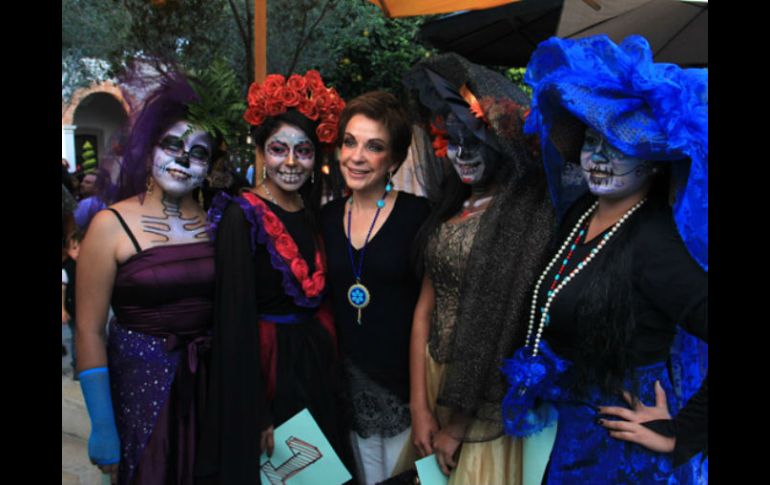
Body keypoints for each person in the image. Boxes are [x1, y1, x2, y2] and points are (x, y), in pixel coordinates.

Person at [501, 35, 708, 484]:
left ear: (653, 162)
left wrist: (683, 433)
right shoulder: (580, 212)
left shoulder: (656, 243)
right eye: (592, 140)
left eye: (619, 146)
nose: (597, 156)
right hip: (568, 432)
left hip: (617, 455)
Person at [390, 53, 556, 485]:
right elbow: (424, 311)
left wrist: (458, 428)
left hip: (484, 398)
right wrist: (419, 407)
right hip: (434, 379)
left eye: (474, 141)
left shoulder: (525, 217)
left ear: (501, 144)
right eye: (453, 138)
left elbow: (506, 325)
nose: (460, 152)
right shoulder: (451, 206)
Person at [196, 70, 353, 484]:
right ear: (262, 153)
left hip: (314, 366)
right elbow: (234, 319)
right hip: (266, 370)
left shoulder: (312, 211)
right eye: (278, 149)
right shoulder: (240, 216)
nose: (290, 162)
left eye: (302, 151)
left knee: (320, 474)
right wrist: (255, 411)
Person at [76, 71, 232, 485]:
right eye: (173, 145)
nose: (183, 158)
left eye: (198, 152)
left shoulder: (222, 221)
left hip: (209, 389)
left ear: (209, 165)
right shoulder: (109, 225)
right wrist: (103, 424)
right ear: (149, 153)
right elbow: (89, 329)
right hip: (141, 392)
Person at [320, 91, 430, 485]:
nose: (357, 156)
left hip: (405, 391)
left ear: (394, 160)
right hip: (345, 392)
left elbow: (430, 311)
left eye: (374, 147)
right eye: (350, 142)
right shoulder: (327, 219)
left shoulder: (420, 216)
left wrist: (422, 406)